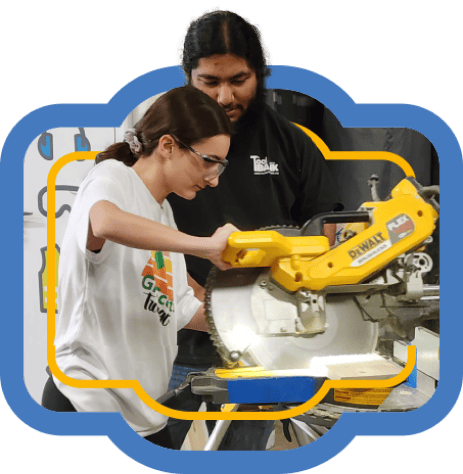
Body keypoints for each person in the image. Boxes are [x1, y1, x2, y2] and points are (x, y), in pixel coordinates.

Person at [166, 10, 343, 450]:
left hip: (261, 348)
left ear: (260, 74)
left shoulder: (293, 144)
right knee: (151, 449)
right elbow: (129, 240)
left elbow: (326, 236)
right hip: (171, 341)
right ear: (188, 77)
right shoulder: (160, 143)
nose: (225, 96)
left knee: (240, 457)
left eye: (239, 79)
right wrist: (205, 309)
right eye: (209, 81)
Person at [41, 86, 236, 449]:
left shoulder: (163, 213)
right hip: (88, 404)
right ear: (168, 146)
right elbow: (105, 223)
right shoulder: (112, 178)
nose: (214, 178)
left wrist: (262, 317)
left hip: (145, 416)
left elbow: (180, 304)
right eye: (209, 161)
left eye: (220, 165)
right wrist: (207, 247)